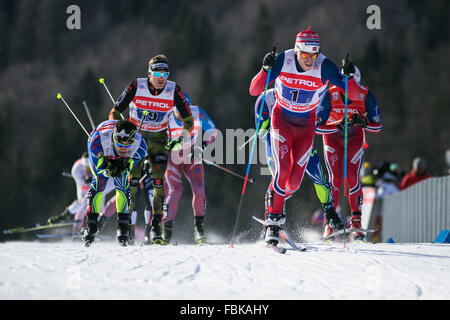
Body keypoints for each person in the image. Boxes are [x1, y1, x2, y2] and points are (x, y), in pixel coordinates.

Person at [249, 26, 361, 245]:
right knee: (281, 172)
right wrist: (264, 69)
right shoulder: (284, 60)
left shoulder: (324, 66)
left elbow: (354, 94)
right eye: (305, 54)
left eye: (314, 54)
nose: (310, 59)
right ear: (297, 50)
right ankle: (273, 223)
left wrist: (348, 78)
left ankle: (276, 201)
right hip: (281, 121)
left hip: (306, 127)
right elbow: (255, 90)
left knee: (293, 183)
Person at [108, 54, 193, 245]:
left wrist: (180, 140)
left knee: (158, 182)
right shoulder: (136, 86)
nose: (161, 77)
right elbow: (115, 111)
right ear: (149, 73)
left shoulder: (174, 90)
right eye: (157, 73)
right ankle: (125, 227)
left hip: (158, 140)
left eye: (165, 73)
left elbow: (189, 121)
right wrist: (119, 133)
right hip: (135, 139)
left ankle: (156, 228)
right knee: (132, 182)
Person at [254, 88, 344, 239]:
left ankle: (330, 214)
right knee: (281, 178)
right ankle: (271, 219)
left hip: (301, 140)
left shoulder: (304, 93)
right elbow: (263, 134)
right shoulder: (265, 98)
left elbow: (314, 124)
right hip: (278, 140)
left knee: (317, 177)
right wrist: (272, 128)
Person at [316, 66, 382, 240]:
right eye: (347, 88)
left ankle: (356, 222)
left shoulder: (365, 95)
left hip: (354, 138)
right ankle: (329, 222)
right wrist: (338, 124)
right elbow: (317, 127)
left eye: (354, 87)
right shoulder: (331, 93)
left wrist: (364, 123)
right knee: (336, 178)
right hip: (333, 138)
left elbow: (378, 125)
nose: (350, 92)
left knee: (353, 177)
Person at [83, 119, 147, 246]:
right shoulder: (97, 142)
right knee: (98, 183)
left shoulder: (141, 146)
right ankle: (91, 226)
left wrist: (123, 166)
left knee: (123, 186)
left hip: (115, 154)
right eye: (120, 145)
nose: (123, 149)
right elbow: (99, 169)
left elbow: (128, 166)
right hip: (102, 151)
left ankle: (123, 228)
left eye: (128, 145)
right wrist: (107, 169)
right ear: (114, 139)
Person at [163, 96, 217, 244]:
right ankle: (165, 231)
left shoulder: (198, 113)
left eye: (185, 108)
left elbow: (213, 131)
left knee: (199, 190)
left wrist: (201, 147)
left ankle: (199, 229)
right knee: (175, 190)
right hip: (173, 157)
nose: (183, 112)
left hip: (192, 154)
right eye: (179, 109)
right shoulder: (167, 117)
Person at [48, 152, 115, 234]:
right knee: (83, 203)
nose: (87, 170)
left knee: (97, 205)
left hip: (102, 184)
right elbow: (84, 189)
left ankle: (94, 228)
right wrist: (86, 181)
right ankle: (72, 224)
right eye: (86, 167)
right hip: (85, 187)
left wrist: (93, 179)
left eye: (89, 167)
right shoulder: (76, 170)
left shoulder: (100, 165)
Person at [97, 157, 154, 245]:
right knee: (128, 198)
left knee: (151, 198)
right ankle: (129, 232)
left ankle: (150, 232)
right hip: (133, 164)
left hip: (149, 162)